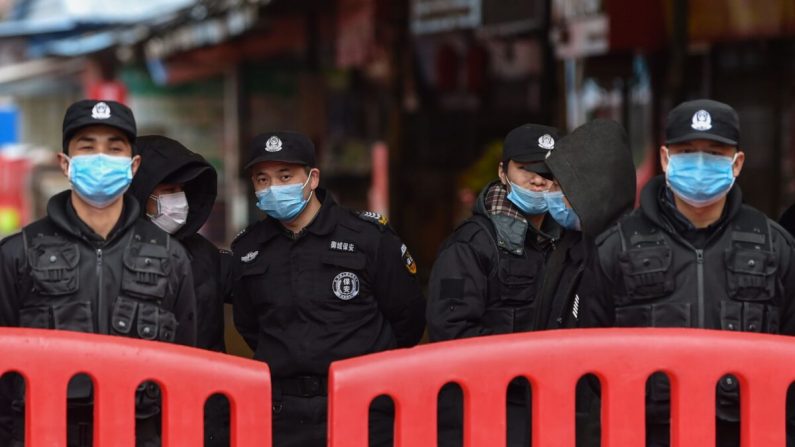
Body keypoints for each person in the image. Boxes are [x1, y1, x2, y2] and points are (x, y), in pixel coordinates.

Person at [581, 99, 795, 446]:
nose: (699, 163)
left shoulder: (774, 245)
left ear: (736, 163)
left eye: (714, 153)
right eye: (686, 151)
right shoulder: (617, 247)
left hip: (750, 434)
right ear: (666, 159)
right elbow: (589, 360)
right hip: (647, 435)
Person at [0, 99, 197, 447]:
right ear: (65, 163)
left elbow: (188, 365)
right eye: (88, 148)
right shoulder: (18, 254)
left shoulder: (170, 256)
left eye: (114, 148)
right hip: (42, 435)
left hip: (139, 436)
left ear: (134, 165)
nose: (101, 158)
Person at [427, 121, 636, 446]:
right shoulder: (471, 246)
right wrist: (530, 360)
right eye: (526, 170)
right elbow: (450, 332)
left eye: (550, 174)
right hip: (489, 412)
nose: (539, 181)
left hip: (557, 411)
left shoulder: (575, 239)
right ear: (502, 172)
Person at [230, 131, 426, 447]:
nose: (273, 188)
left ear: (312, 178)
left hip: (363, 406)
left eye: (285, 176)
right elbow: (250, 324)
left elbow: (409, 319)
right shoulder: (248, 248)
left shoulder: (367, 238)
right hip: (283, 413)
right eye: (262, 179)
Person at [128, 135, 229, 446]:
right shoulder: (111, 254)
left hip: (204, 412)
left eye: (182, 191)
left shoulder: (206, 255)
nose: (178, 201)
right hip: (136, 416)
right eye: (168, 191)